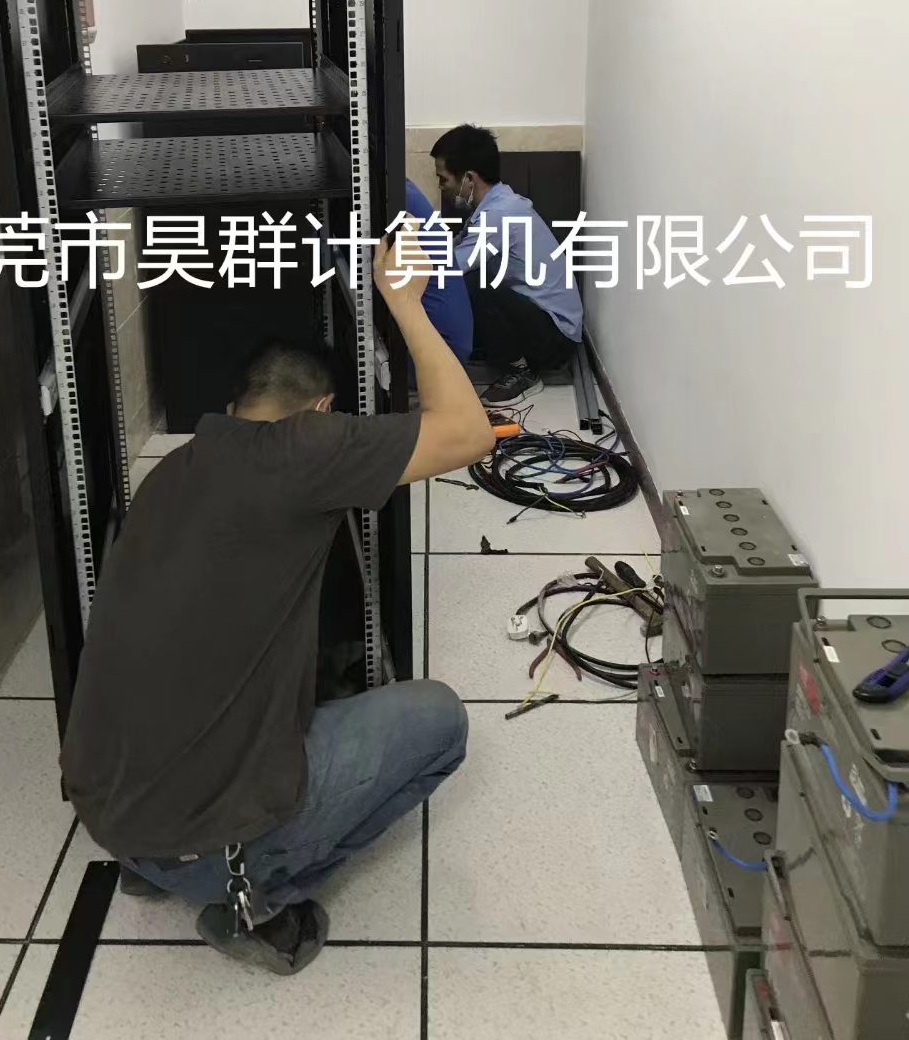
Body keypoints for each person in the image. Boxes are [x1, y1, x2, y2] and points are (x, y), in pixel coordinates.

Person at [59, 233, 493, 977]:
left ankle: (157, 864)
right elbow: (469, 431)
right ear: (320, 411)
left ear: (234, 407)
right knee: (441, 722)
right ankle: (253, 899)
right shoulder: (302, 450)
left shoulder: (171, 471)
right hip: (208, 845)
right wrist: (405, 305)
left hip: (108, 815)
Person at [431, 124, 583, 406]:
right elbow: (454, 248)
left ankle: (523, 371)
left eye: (443, 178)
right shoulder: (495, 203)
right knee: (474, 279)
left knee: (474, 282)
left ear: (469, 178)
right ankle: (503, 352)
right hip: (542, 320)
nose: (441, 186)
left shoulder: (499, 215)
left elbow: (451, 267)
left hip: (557, 339)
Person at [402, 177, 473, 365]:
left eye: (443, 178)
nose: (439, 186)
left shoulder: (399, 198)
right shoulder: (406, 190)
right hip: (452, 343)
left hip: (444, 351)